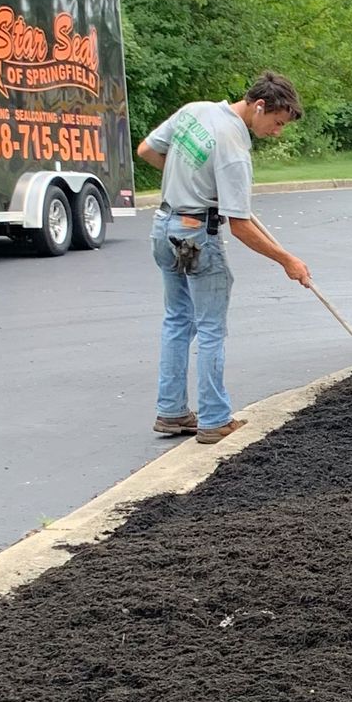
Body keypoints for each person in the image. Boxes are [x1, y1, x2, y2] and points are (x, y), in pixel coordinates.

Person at [136, 72, 314, 445]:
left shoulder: (195, 111)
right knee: (211, 328)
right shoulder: (234, 146)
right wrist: (287, 261)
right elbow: (241, 226)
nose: (277, 131)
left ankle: (171, 413)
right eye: (277, 123)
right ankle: (215, 419)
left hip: (163, 227)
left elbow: (148, 151)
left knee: (176, 321)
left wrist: (192, 177)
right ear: (260, 106)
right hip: (197, 237)